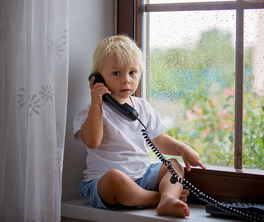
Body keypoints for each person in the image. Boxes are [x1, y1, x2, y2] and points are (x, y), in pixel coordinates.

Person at [73, 35, 206, 218]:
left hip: (142, 177)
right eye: (116, 73)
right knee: (115, 177)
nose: (126, 80)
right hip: (106, 183)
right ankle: (158, 198)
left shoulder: (142, 107)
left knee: (173, 165)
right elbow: (92, 142)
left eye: (132, 73)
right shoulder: (93, 112)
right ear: (98, 79)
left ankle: (167, 199)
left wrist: (182, 149)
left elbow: (158, 140)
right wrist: (96, 104)